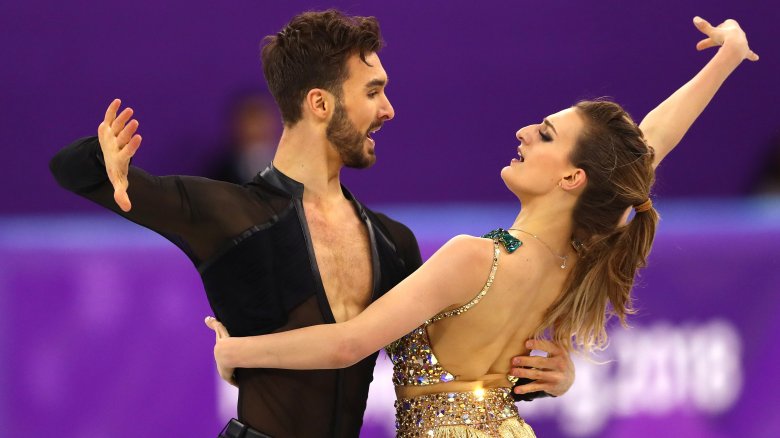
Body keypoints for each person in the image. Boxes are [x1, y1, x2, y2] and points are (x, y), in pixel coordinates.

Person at [205, 16, 758, 437]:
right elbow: (648, 146)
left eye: (543, 133)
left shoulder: (476, 258)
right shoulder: (577, 251)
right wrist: (726, 59)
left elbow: (348, 344)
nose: (522, 131)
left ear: (571, 177)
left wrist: (240, 353)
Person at [49, 10, 574, 438]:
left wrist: (548, 377)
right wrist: (102, 161)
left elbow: (448, 361)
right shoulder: (230, 214)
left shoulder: (393, 242)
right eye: (373, 91)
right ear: (320, 103)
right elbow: (69, 170)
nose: (389, 109)